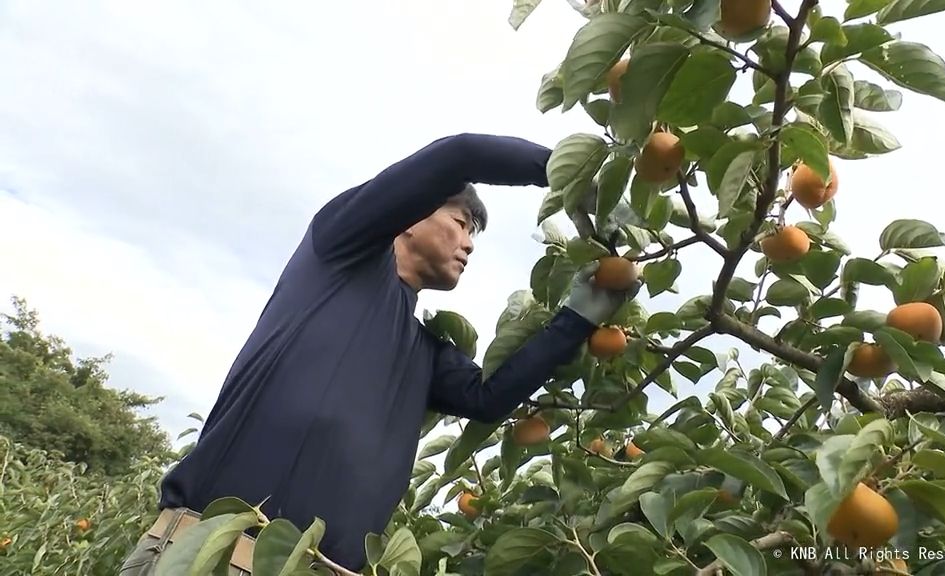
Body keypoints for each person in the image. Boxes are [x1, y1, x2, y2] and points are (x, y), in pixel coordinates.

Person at [118, 133, 640, 575]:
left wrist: (580, 315)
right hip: (209, 554)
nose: (471, 244)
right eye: (462, 223)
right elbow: (459, 154)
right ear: (410, 216)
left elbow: (488, 398)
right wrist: (575, 177)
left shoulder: (422, 350)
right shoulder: (338, 253)